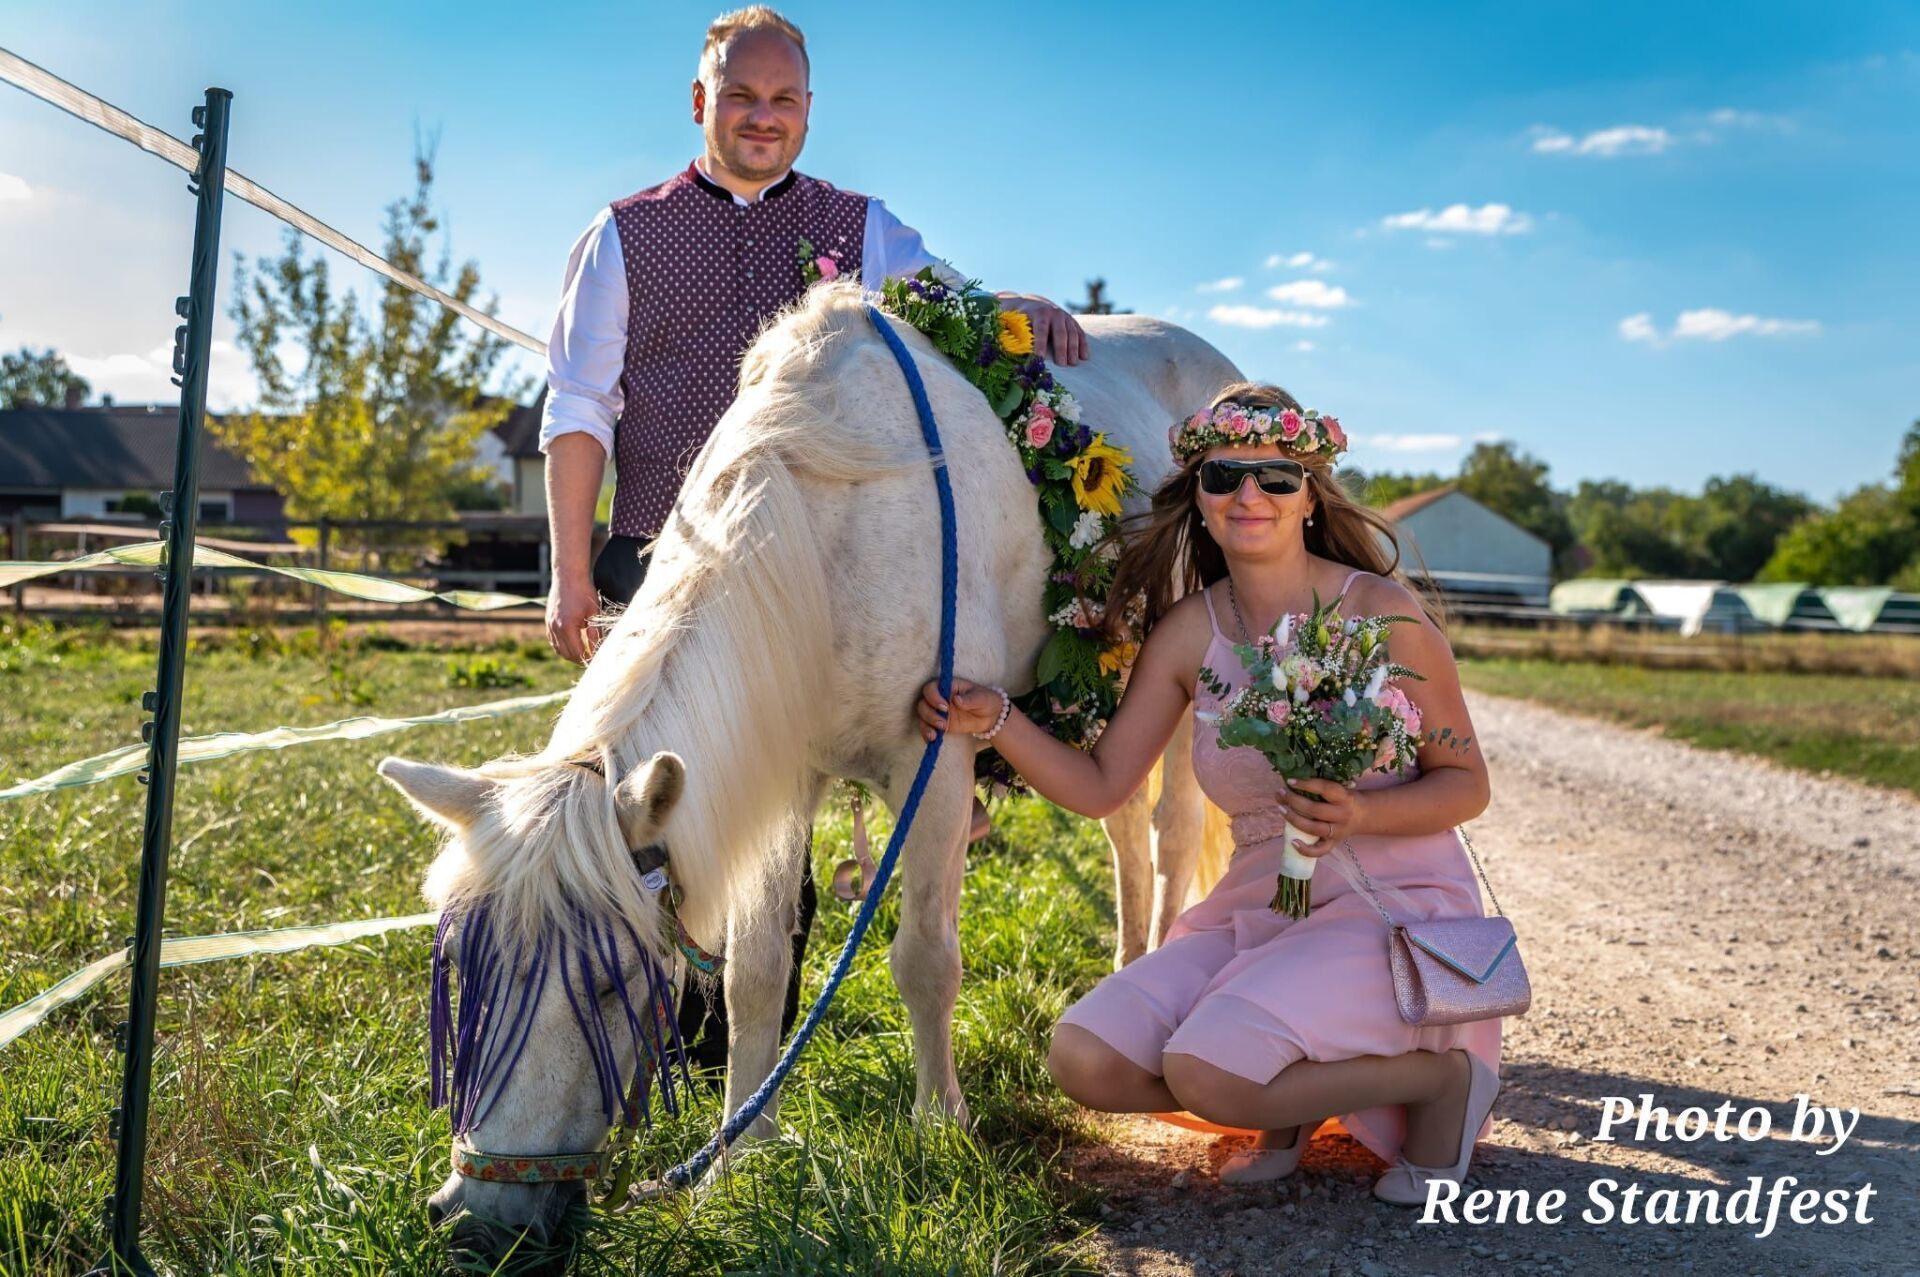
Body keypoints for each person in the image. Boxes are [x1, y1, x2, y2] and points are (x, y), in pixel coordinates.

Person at [537, 6, 1086, 1073]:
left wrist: (1009, 302)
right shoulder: (622, 235)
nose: (762, 117)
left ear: (808, 112)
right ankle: (644, 1037)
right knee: (671, 808)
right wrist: (568, 572)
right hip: (671, 558)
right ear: (702, 103)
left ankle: (733, 1060)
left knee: (775, 806)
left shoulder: (860, 224)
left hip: (824, 569)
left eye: (784, 100)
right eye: (740, 96)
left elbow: (948, 310)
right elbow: (578, 405)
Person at [916, 382, 1506, 1204]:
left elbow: (1467, 784)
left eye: (1275, 476)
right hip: (1263, 908)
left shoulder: (1381, 612)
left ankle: (1438, 1078)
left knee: (1206, 1070)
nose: (1249, 494)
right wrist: (997, 718)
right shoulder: (1191, 630)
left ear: (1310, 496)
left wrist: (1361, 811)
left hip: (1389, 903)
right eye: (1224, 475)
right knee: (1085, 1056)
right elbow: (1099, 786)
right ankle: (1284, 1097)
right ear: (1198, 497)